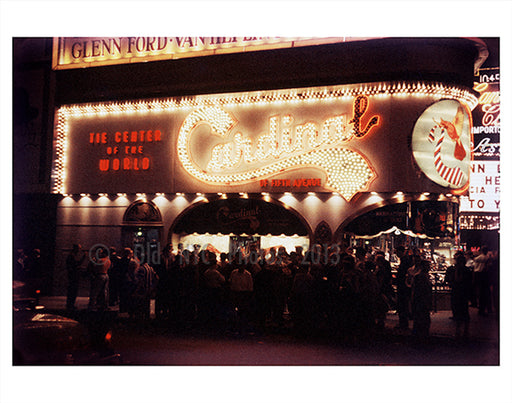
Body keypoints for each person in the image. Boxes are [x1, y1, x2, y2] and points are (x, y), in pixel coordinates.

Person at [449, 252, 472, 339]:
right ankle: (461, 330)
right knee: (460, 311)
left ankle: (463, 330)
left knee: (462, 311)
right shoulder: (459, 270)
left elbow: (457, 280)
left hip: (460, 293)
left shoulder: (463, 271)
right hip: (459, 293)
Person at [410, 259, 432, 341]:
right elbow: (415, 291)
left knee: (423, 320)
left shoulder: (424, 276)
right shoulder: (419, 276)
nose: (429, 267)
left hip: (423, 301)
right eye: (427, 266)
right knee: (421, 320)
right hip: (420, 301)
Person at [87, 247, 111, 311]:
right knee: (104, 291)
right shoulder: (108, 260)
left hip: (99, 275)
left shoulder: (100, 260)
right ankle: (105, 305)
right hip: (106, 275)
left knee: (95, 291)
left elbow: (95, 267)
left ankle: (91, 305)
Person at [65, 244, 85, 310]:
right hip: (73, 276)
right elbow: (76, 264)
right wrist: (84, 257)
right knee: (73, 290)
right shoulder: (72, 256)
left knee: (72, 290)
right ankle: (70, 304)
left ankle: (70, 304)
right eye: (79, 248)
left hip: (73, 275)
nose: (80, 250)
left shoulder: (72, 255)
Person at [473, 246, 491, 316]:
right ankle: (484, 308)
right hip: (483, 275)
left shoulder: (478, 258)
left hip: (478, 275)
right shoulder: (486, 258)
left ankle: (481, 308)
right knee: (485, 293)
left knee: (480, 292)